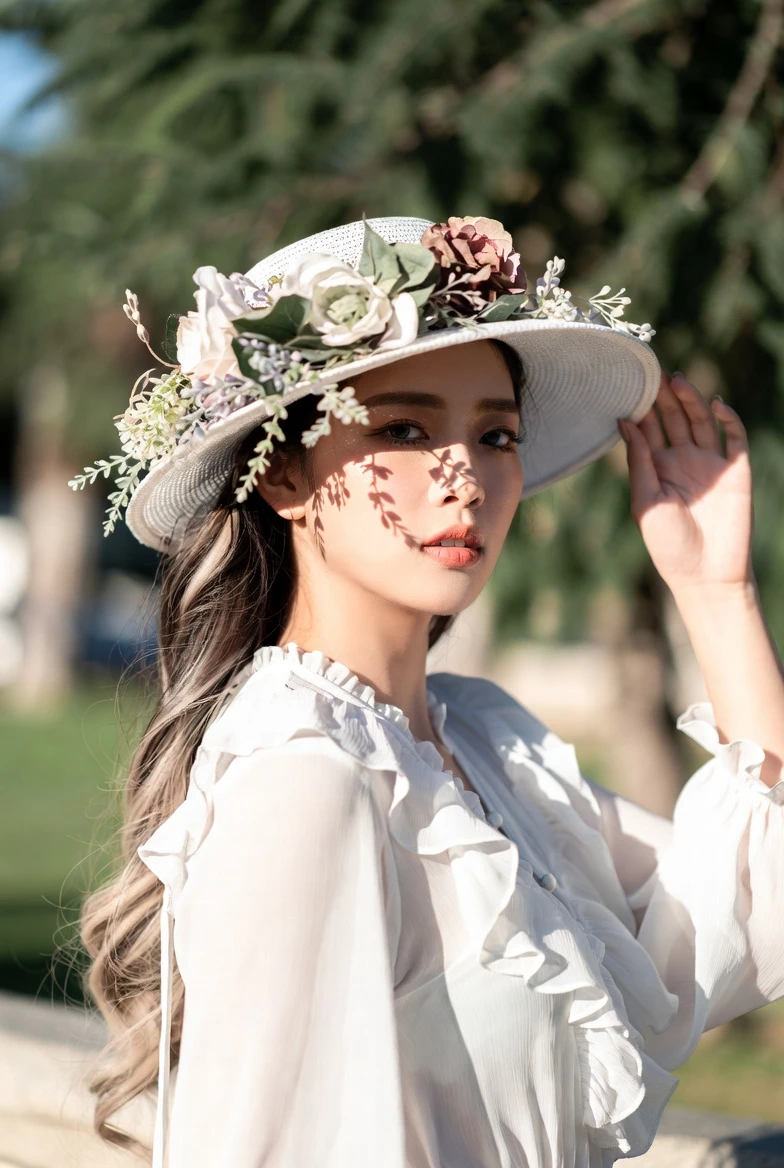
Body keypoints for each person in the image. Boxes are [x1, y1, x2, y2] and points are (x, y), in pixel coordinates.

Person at [76, 216, 784, 1167]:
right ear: (283, 473)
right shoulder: (305, 782)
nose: (464, 479)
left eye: (496, 434)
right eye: (404, 428)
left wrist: (718, 596)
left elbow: (754, 899)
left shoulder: (492, 747)